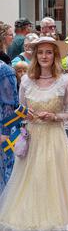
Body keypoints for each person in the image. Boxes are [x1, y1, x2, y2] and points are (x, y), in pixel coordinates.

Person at [0, 37, 68, 231]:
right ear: (35, 56)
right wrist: (27, 115)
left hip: (54, 138)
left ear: (55, 56)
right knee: (32, 179)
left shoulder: (66, 82)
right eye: (40, 52)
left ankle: (58, 225)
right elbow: (19, 109)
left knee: (54, 178)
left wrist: (54, 117)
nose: (44, 56)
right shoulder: (26, 81)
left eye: (48, 52)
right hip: (33, 139)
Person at [0, 59, 18, 193]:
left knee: (5, 169)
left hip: (3, 127)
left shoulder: (4, 70)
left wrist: (5, 132)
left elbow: (9, 104)